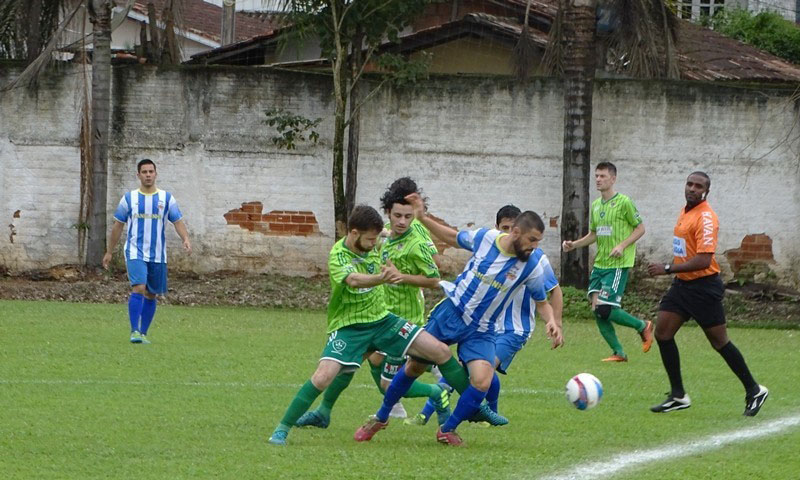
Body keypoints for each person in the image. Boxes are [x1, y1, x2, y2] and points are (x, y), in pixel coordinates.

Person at [354, 194, 561, 446]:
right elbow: (451, 237)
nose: (534, 247)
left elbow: (541, 301)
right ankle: (382, 416)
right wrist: (422, 217)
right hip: (451, 313)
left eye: (538, 242)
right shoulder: (486, 238)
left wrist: (551, 321)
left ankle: (447, 428)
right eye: (531, 240)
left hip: (481, 329)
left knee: (482, 380)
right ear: (516, 232)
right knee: (414, 368)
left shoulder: (532, 266)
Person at [268, 205, 471, 446]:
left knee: (440, 351)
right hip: (350, 326)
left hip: (383, 321)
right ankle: (282, 429)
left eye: (377, 238)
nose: (375, 243)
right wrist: (381, 278)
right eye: (370, 239)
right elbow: (353, 280)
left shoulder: (378, 240)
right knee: (324, 377)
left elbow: (403, 237)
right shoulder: (339, 255)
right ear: (354, 233)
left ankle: (476, 404)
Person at [293, 186, 451, 429]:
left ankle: (436, 391)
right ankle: (325, 411)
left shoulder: (417, 237)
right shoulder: (381, 236)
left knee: (390, 380)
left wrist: (400, 277)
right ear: (388, 212)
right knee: (353, 362)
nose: (402, 221)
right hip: (377, 313)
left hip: (403, 316)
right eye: (397, 215)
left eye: (408, 216)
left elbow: (434, 278)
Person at [407, 205, 564, 426]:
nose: (509, 232)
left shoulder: (535, 261)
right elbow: (454, 238)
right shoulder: (490, 244)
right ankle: (488, 411)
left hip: (514, 329)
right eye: (505, 228)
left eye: (513, 227)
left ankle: (431, 414)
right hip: (485, 324)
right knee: (481, 372)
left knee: (476, 371)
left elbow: (551, 292)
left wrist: (554, 322)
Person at [647, 172, 768, 416]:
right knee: (662, 333)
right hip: (683, 286)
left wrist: (667, 268)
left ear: (706, 192)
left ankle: (754, 390)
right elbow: (686, 250)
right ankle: (678, 395)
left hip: (704, 287)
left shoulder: (706, 218)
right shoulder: (686, 211)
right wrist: (674, 270)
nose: (692, 188)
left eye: (698, 186)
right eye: (689, 184)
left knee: (719, 342)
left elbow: (703, 260)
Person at [562, 162, 653, 362]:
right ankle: (619, 352)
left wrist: (622, 245)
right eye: (596, 176)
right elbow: (594, 234)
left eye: (602, 176)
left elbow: (640, 229)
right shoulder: (596, 205)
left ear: (613, 179)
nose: (598, 179)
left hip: (617, 265)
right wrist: (574, 245)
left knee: (605, 308)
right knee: (597, 311)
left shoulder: (624, 202)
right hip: (600, 265)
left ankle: (642, 326)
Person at [102, 159, 191, 344]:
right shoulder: (129, 199)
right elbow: (118, 226)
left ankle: (143, 333)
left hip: (158, 254)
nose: (148, 175)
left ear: (156, 174)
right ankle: (134, 331)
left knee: (152, 293)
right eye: (144, 172)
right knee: (139, 287)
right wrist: (109, 251)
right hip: (135, 251)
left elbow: (177, 221)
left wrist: (185, 239)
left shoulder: (166, 199)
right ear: (138, 175)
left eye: (151, 171)